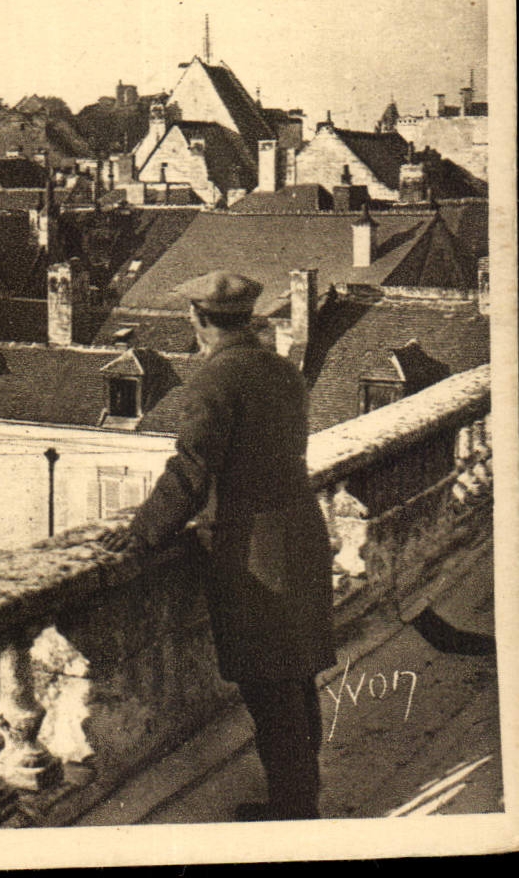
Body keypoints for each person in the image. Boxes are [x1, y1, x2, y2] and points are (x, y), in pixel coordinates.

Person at [98, 270, 336, 821]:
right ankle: (300, 798)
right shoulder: (282, 370)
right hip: (301, 536)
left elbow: (191, 472)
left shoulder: (212, 382)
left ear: (199, 319)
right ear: (248, 318)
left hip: (255, 552)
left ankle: (294, 814)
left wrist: (140, 532)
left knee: (271, 692)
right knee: (296, 681)